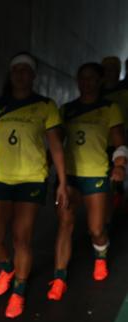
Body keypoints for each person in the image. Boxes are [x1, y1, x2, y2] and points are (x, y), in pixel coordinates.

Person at [0, 52, 69, 318]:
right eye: (16, 70)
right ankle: (8, 268)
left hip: (32, 178)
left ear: (33, 75)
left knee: (22, 238)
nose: (20, 74)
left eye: (26, 70)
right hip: (1, 177)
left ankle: (19, 291)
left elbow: (56, 145)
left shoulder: (45, 105)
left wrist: (62, 182)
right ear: (11, 75)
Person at [48, 62, 127, 300]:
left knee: (96, 229)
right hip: (70, 177)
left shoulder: (109, 108)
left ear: (100, 81)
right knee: (65, 224)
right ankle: (59, 277)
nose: (87, 82)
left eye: (92, 78)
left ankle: (101, 255)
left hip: (96, 175)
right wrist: (44, 165)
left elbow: (119, 141)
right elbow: (56, 143)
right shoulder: (67, 109)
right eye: (82, 78)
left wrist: (120, 165)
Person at [101, 56, 128, 211]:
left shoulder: (125, 93)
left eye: (114, 69)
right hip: (101, 144)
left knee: (118, 178)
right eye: (107, 69)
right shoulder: (96, 93)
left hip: (121, 142)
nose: (110, 73)